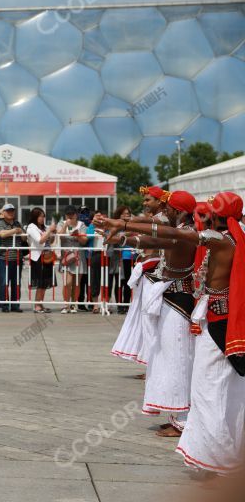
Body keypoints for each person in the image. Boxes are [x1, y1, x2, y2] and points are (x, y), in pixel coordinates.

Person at [99, 192, 245, 474]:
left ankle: (219, 459)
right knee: (218, 390)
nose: (203, 217)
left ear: (220, 216)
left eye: (208, 213)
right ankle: (219, 455)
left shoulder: (222, 240)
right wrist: (123, 231)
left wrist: (124, 225)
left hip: (216, 322)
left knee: (209, 390)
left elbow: (167, 233)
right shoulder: (228, 238)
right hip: (213, 317)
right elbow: (161, 236)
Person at [97, 191, 198, 437]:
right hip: (171, 300)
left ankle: (183, 421)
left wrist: (120, 224)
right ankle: (176, 416)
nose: (165, 214)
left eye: (169, 209)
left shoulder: (185, 233)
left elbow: (161, 234)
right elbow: (154, 241)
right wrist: (121, 239)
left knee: (179, 361)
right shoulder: (178, 230)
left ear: (179, 211)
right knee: (166, 359)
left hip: (179, 303)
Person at [0, 203, 25, 313]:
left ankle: (15, 305)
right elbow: (2, 234)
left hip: (17, 258)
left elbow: (24, 239)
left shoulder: (18, 223)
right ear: (3, 213)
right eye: (8, 211)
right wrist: (15, 231)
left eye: (12, 210)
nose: (11, 213)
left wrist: (20, 232)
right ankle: (4, 305)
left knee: (17, 283)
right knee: (4, 282)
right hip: (4, 258)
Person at [57, 205, 87, 313]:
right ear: (65, 215)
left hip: (79, 256)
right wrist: (65, 225)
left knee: (76, 283)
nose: (70, 216)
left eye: (72, 214)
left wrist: (77, 234)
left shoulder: (81, 225)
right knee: (67, 282)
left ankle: (74, 305)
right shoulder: (61, 223)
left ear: (76, 214)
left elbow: (84, 241)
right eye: (68, 214)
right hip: (66, 256)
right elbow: (59, 236)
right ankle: (66, 305)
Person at [26, 207, 56, 313]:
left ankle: (41, 304)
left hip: (47, 256)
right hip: (38, 257)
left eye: (43, 216)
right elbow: (40, 240)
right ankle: (37, 305)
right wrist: (49, 231)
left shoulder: (44, 227)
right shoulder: (31, 227)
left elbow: (50, 241)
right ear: (35, 217)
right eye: (40, 216)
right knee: (40, 282)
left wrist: (53, 233)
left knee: (44, 283)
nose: (42, 218)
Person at [106, 206, 134, 315]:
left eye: (128, 213)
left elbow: (131, 234)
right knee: (117, 283)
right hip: (115, 258)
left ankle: (125, 305)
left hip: (128, 257)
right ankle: (119, 305)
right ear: (119, 215)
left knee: (127, 283)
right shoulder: (114, 225)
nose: (126, 215)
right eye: (124, 213)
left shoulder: (131, 226)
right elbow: (112, 238)